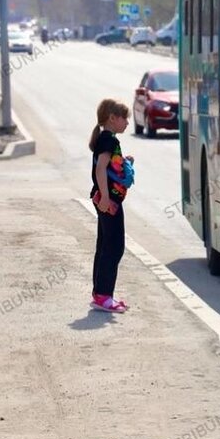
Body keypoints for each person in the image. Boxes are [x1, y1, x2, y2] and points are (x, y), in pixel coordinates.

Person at [89, 99, 133, 313]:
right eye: (125, 118)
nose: (127, 123)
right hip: (109, 201)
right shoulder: (108, 140)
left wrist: (125, 161)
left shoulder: (107, 139)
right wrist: (106, 197)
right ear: (112, 118)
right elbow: (100, 169)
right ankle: (104, 296)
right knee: (114, 247)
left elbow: (108, 166)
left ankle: (100, 294)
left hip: (106, 200)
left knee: (104, 244)